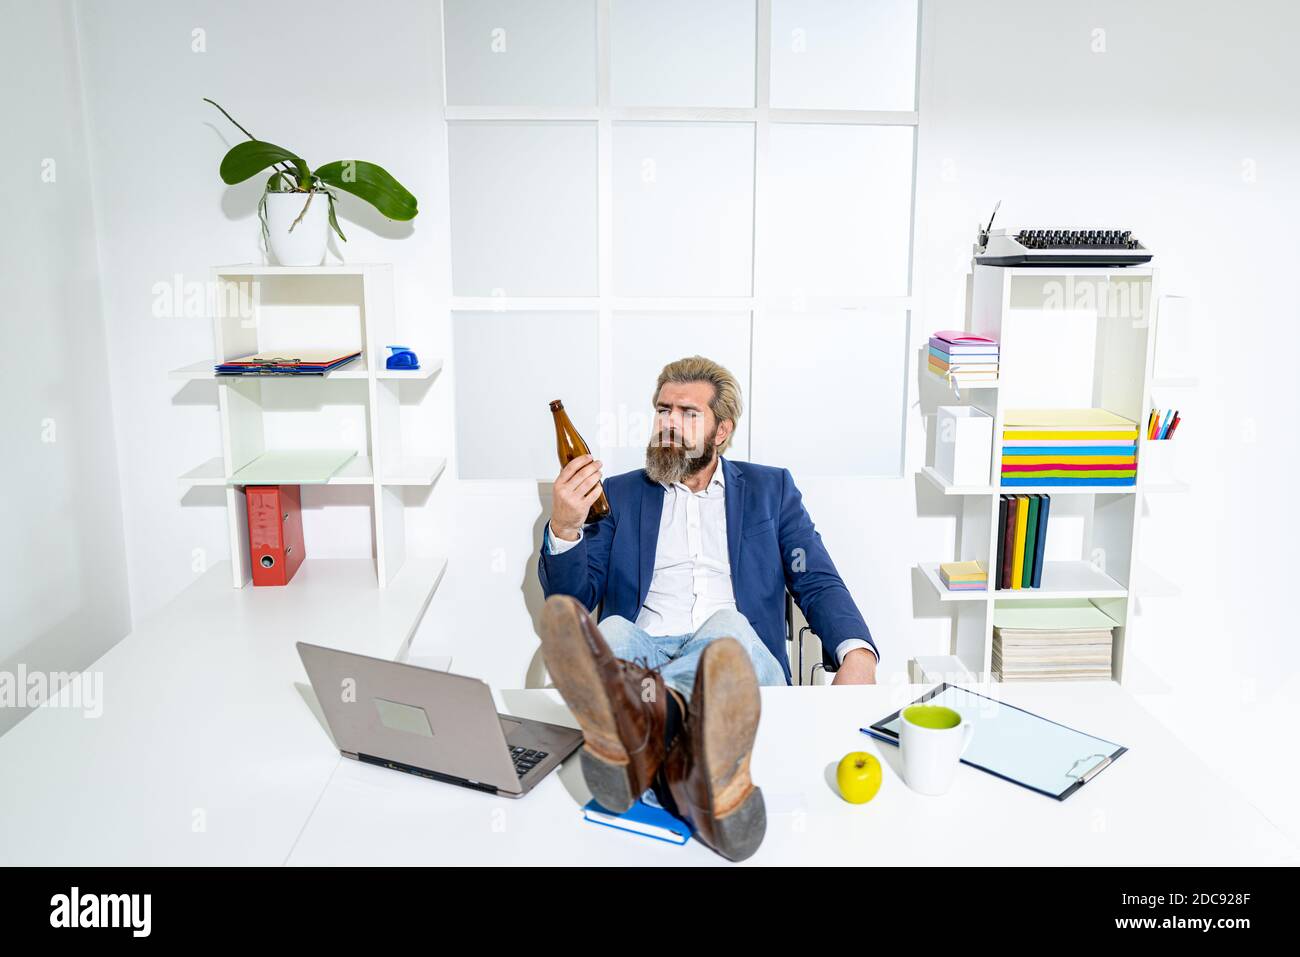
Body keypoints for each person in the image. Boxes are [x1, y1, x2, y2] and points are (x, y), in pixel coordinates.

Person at [536, 356, 878, 861]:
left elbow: (817, 578)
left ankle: (647, 733)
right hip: (643, 656)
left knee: (726, 630)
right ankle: (685, 761)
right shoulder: (620, 496)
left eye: (688, 413)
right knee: (610, 630)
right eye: (662, 410)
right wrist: (565, 528)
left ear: (722, 430)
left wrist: (857, 653)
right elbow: (573, 603)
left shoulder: (770, 490)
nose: (669, 423)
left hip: (732, 670)